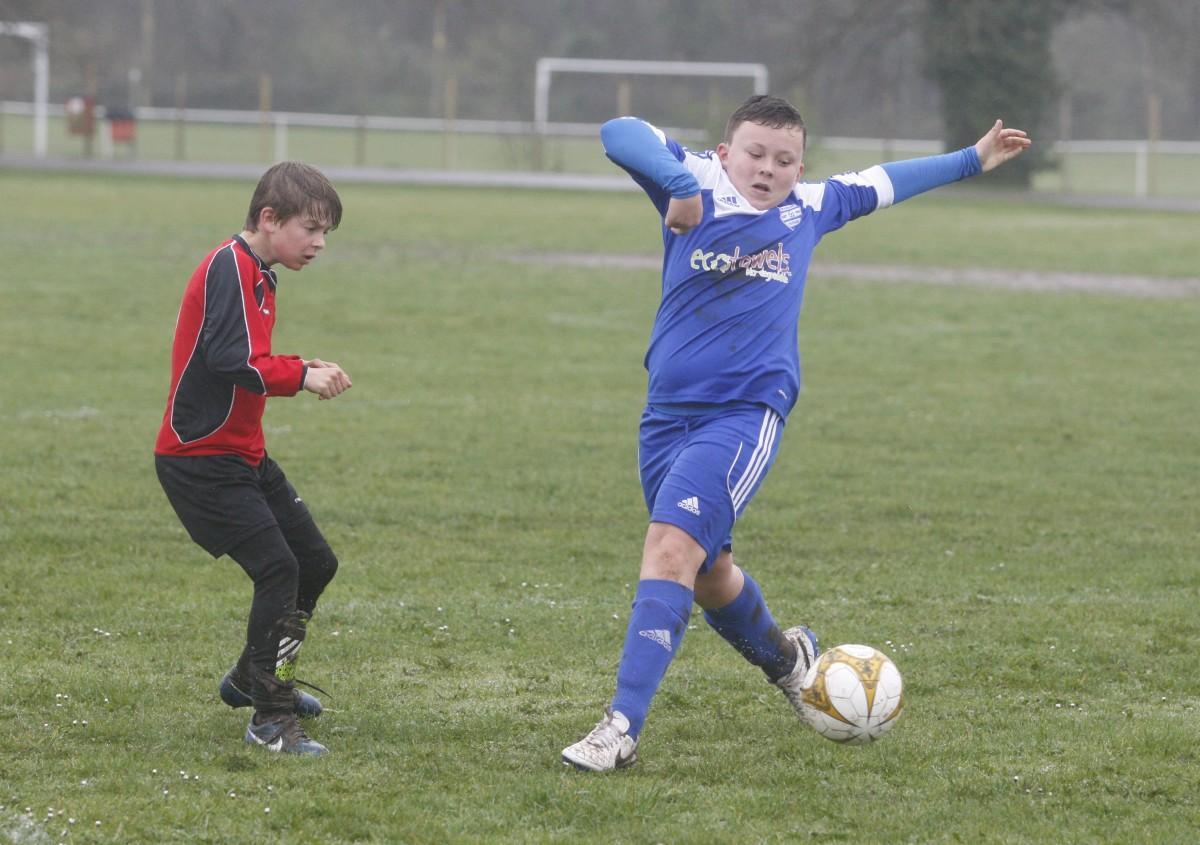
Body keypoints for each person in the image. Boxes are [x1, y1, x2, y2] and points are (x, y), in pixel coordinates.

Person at [561, 95, 1030, 771]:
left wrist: (973, 158)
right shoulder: (693, 177)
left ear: (800, 166)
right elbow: (618, 131)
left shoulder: (811, 206)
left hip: (746, 413)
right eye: (755, 153)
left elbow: (889, 181)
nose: (767, 168)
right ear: (726, 153)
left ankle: (620, 728)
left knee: (669, 550)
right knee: (707, 572)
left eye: (784, 160)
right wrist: (679, 188)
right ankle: (788, 659)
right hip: (665, 416)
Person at [154, 161, 352, 757]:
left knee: (314, 562)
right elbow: (227, 357)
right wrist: (300, 377)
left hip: (242, 455)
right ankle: (269, 716)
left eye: (325, 233)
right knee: (278, 569)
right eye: (311, 229)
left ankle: (250, 679)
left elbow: (246, 354)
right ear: (269, 219)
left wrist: (301, 364)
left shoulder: (260, 273)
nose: (319, 243)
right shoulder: (230, 267)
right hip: (201, 459)